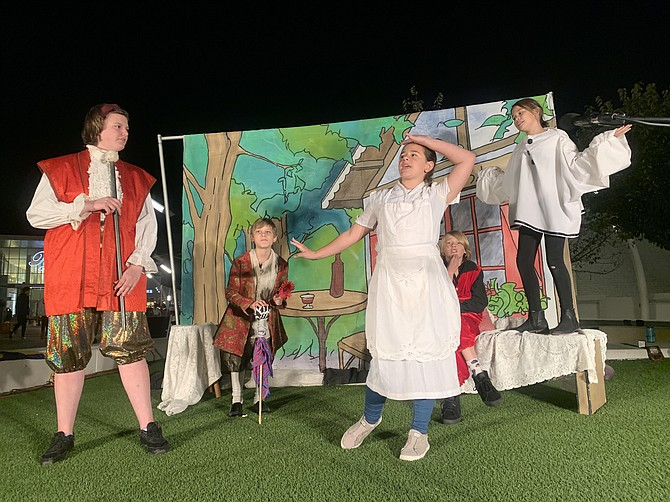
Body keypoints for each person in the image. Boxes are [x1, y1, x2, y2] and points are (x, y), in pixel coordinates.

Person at [291, 134, 475, 461]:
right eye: (404, 154)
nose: (406, 158)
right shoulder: (380, 198)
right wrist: (317, 254)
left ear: (429, 166)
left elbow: (467, 160)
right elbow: (354, 233)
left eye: (415, 155)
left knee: (425, 357)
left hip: (427, 286)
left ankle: (418, 432)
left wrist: (419, 138)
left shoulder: (436, 194)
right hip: (390, 286)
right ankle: (369, 419)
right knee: (386, 355)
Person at [26, 103, 169, 465]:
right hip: (71, 274)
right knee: (69, 352)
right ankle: (64, 433)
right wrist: (85, 205)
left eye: (126, 127)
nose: (125, 132)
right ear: (97, 127)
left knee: (130, 348)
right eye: (118, 126)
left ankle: (148, 426)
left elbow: (146, 226)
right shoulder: (61, 169)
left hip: (121, 277)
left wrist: (137, 265)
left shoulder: (136, 177)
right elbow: (36, 214)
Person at [477, 98, 632, 334]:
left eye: (520, 113)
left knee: (555, 261)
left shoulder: (557, 138)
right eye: (514, 116)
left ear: (536, 112)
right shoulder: (520, 147)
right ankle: (536, 318)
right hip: (530, 210)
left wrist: (607, 142)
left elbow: (576, 165)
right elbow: (511, 182)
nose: (517, 119)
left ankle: (569, 316)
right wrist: (489, 178)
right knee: (523, 261)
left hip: (553, 208)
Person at [213, 217, 289, 416]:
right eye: (259, 232)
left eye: (268, 232)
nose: (263, 235)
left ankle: (259, 398)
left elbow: (280, 293)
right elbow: (231, 292)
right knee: (236, 358)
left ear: (274, 238)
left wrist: (279, 300)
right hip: (241, 318)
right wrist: (250, 303)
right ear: (252, 237)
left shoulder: (281, 265)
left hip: (267, 320)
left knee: (262, 357)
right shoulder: (241, 262)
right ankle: (236, 399)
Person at [439, 231, 502, 425]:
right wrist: (450, 270)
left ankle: (451, 399)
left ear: (465, 250)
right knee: (449, 332)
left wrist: (453, 307)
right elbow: (436, 299)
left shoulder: (473, 269)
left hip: (468, 317)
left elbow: (479, 302)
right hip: (442, 319)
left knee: (455, 325)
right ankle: (479, 376)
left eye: (458, 243)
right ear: (442, 250)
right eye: (449, 243)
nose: (453, 246)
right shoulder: (436, 270)